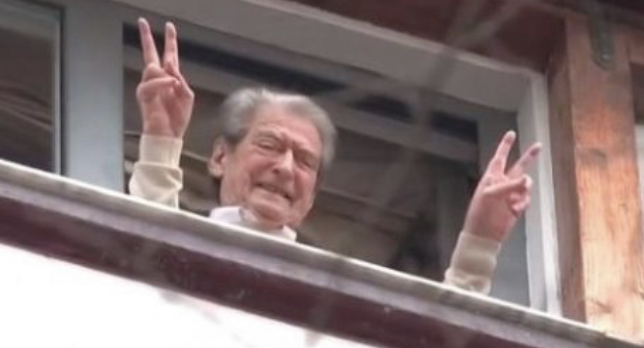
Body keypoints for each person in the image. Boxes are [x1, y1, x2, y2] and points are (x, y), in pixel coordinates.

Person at [128, 18, 541, 294]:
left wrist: (479, 243)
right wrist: (161, 142)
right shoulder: (177, 250)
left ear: (311, 197)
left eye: (304, 161)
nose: (285, 168)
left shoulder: (333, 294)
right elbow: (140, 256)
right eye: (269, 145)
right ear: (221, 157)